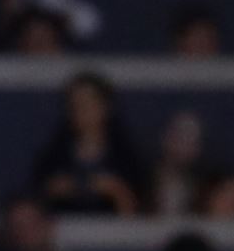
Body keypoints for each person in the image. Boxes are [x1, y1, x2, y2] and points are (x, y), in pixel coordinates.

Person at [31, 71, 147, 216]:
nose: (80, 110)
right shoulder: (51, 159)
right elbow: (32, 213)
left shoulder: (128, 159)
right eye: (74, 104)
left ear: (106, 106)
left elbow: (141, 217)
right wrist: (50, 193)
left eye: (88, 102)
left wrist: (118, 192)